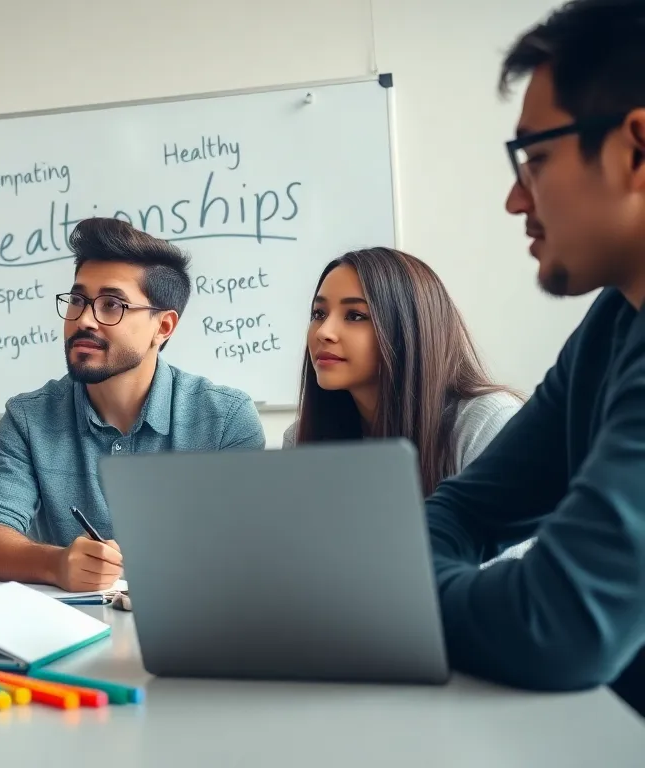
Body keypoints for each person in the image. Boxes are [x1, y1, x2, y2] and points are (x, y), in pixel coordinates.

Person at [426, 0, 645, 715]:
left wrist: (391, 593)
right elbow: (466, 508)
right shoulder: (613, 322)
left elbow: (557, 623)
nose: (516, 200)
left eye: (536, 158)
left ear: (636, 150)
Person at [0, 217, 264, 592]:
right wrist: (57, 564)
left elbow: (246, 554)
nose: (84, 319)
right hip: (68, 624)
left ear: (163, 327)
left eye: (111, 305)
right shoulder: (28, 417)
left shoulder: (226, 419)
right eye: (77, 300)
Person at [284, 248, 525, 493]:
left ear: (409, 329)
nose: (323, 332)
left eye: (355, 316)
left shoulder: (487, 423)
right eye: (319, 313)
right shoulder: (302, 438)